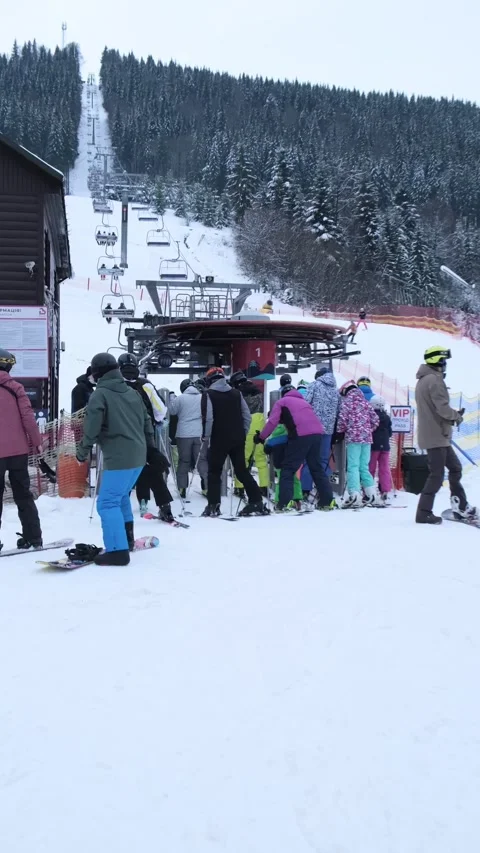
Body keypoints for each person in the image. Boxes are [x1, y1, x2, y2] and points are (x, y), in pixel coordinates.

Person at [76, 352, 154, 565]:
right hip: (138, 456)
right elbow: (147, 422)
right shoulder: (132, 392)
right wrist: (152, 449)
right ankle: (126, 540)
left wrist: (82, 451)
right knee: (120, 498)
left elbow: (91, 427)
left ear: (97, 372)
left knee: (107, 503)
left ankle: (117, 551)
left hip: (119, 457)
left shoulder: (100, 394)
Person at [415, 346, 475, 525]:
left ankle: (460, 504)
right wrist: (456, 416)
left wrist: (452, 415)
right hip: (436, 436)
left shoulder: (425, 379)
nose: (445, 364)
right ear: (437, 361)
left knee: (455, 468)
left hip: (438, 435)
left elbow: (436, 408)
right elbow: (442, 408)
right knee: (436, 475)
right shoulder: (434, 380)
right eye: (444, 360)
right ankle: (423, 513)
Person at [256, 384, 335, 511]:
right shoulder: (304, 403)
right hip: (317, 434)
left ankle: (284, 503)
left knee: (288, 468)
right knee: (316, 468)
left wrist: (261, 437)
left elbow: (272, 421)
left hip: (300, 435)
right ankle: (327, 500)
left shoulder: (282, 402)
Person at [201, 367, 267, 517]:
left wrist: (206, 436)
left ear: (210, 380)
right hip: (238, 438)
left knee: (214, 472)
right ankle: (256, 501)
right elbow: (247, 416)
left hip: (218, 438)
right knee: (241, 470)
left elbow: (209, 418)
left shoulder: (208, 394)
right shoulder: (236, 393)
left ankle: (213, 505)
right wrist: (242, 433)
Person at [118, 353, 174, 521]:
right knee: (151, 469)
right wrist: (158, 422)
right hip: (144, 434)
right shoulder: (145, 385)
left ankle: (120, 508)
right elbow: (161, 410)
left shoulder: (114, 386)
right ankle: (165, 507)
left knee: (121, 471)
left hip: (120, 436)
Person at [0, 348, 43, 550]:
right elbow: (28, 418)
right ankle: (33, 538)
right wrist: (37, 442)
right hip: (18, 452)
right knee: (23, 496)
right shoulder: (16, 388)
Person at [336, 381, 380, 508]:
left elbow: (342, 420)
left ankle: (354, 495)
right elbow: (375, 420)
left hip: (353, 439)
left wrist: (340, 432)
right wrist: (367, 430)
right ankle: (372, 494)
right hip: (367, 439)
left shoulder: (347, 403)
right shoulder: (365, 402)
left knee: (353, 467)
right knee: (363, 467)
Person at [229, 370, 269, 497]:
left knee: (243, 459)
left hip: (247, 425)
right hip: (261, 424)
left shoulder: (237, 394)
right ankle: (264, 486)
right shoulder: (257, 391)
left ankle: (239, 487)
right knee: (261, 458)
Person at [169, 378, 209, 498]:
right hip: (199, 433)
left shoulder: (180, 398)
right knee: (201, 460)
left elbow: (172, 411)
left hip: (183, 434)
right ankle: (206, 488)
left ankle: (182, 488)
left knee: (183, 461)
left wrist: (171, 400)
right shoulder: (202, 397)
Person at [305, 367, 340, 473]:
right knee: (324, 459)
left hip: (313, 428)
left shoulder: (314, 385)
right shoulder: (335, 391)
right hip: (328, 430)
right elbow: (339, 410)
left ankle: (306, 487)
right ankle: (324, 487)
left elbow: (305, 403)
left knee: (310, 458)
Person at [264, 423, 304, 508]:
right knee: (294, 479)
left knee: (281, 481)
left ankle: (279, 499)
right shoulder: (288, 435)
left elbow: (266, 450)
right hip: (290, 462)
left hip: (278, 463)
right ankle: (297, 498)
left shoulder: (272, 438)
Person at [368, 395, 393, 499]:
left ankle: (368, 489)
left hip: (374, 446)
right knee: (384, 468)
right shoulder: (387, 417)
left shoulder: (371, 417)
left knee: (371, 468)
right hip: (385, 446)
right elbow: (390, 433)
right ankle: (385, 490)